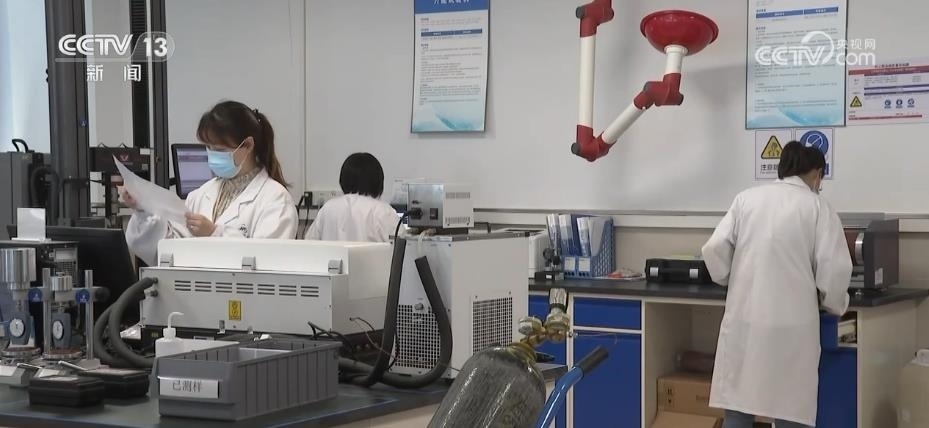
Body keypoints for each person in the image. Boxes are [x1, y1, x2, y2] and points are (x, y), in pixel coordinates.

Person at [701, 141, 852, 428]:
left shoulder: (746, 199)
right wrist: (836, 303)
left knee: (739, 404)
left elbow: (714, 250)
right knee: (790, 407)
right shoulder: (817, 207)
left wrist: (731, 279)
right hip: (792, 328)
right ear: (816, 174)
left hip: (745, 319)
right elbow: (833, 270)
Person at [122, 101, 298, 265]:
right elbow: (165, 252)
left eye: (220, 150)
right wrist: (143, 209)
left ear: (248, 145)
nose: (212, 155)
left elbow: (268, 263)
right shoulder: (201, 194)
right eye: (209, 148)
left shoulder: (275, 200)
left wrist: (215, 233)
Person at [305, 152, 402, 242]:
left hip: (332, 256)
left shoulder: (328, 208)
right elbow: (401, 246)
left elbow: (309, 243)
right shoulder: (383, 211)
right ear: (378, 181)